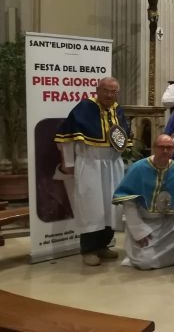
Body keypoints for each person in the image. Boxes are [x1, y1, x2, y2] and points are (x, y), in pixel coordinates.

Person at [54, 77, 130, 266]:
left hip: (113, 164)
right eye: (106, 90)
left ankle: (103, 245)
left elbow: (123, 138)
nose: (110, 95)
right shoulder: (84, 108)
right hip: (90, 164)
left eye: (114, 91)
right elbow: (66, 138)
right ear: (98, 90)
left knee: (111, 207)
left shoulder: (117, 110)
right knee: (91, 207)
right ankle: (88, 249)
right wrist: (69, 163)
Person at [112, 134, 174, 269]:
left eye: (169, 148)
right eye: (161, 147)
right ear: (154, 148)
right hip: (143, 222)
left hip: (167, 224)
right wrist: (139, 231)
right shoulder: (138, 168)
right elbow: (129, 203)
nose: (165, 151)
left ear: (173, 150)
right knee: (144, 262)